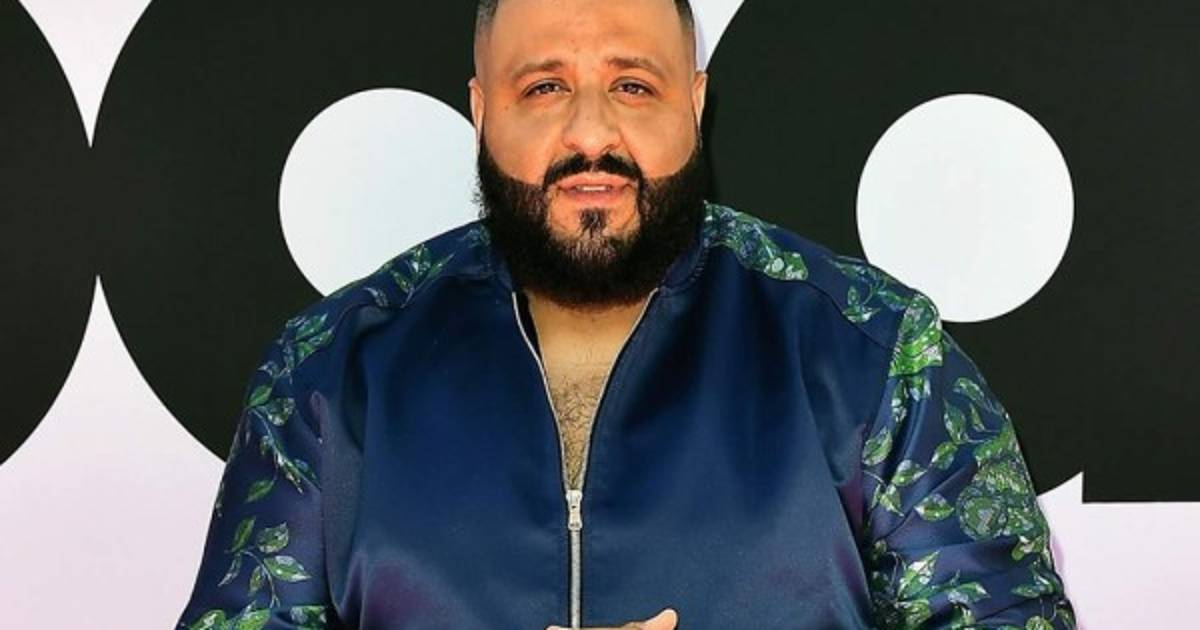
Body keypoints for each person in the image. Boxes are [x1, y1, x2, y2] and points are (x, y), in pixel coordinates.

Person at [176, 1, 1075, 628]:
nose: (591, 133)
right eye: (544, 87)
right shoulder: (331, 375)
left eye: (634, 86)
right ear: (481, 111)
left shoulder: (875, 354)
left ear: (696, 102)